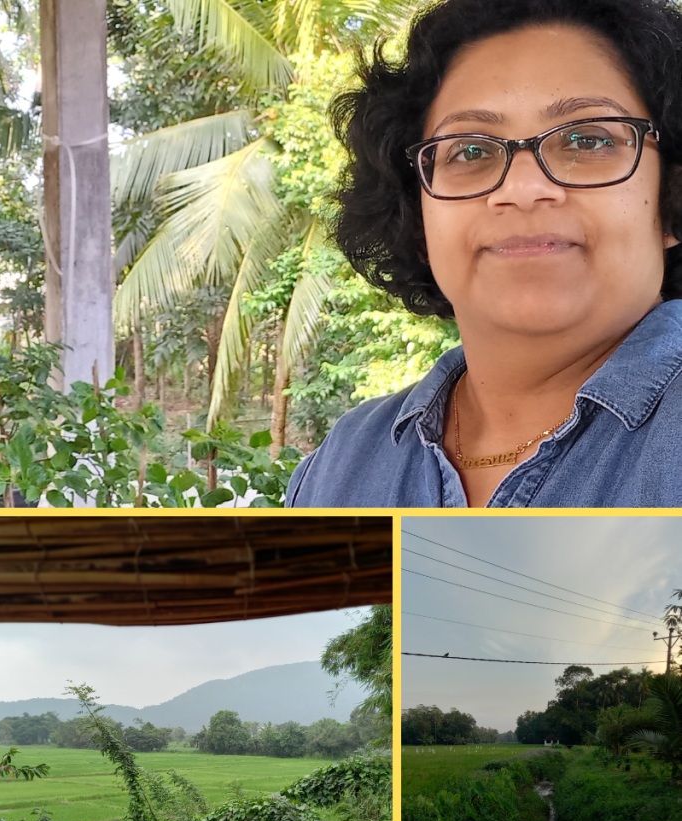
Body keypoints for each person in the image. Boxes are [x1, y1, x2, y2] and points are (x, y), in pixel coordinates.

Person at [285, 0, 682, 508]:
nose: (522, 188)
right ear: (416, 217)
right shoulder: (344, 462)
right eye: (470, 151)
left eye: (587, 138)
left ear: (670, 197)